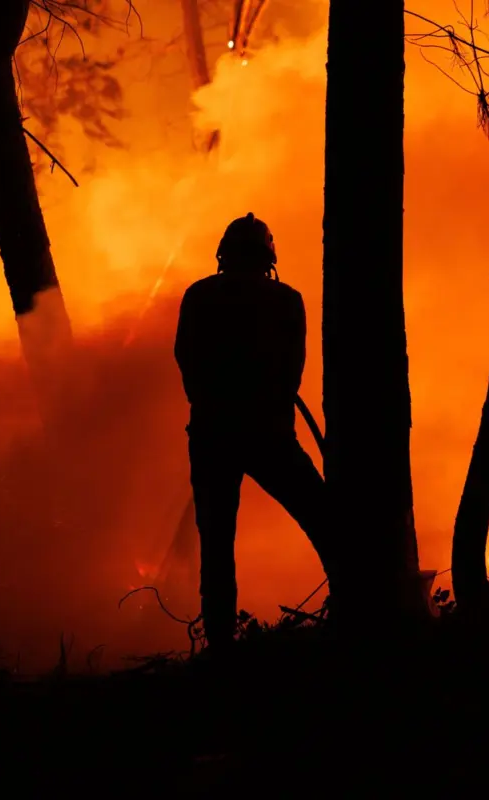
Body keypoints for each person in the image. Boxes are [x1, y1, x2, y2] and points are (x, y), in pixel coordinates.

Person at [174, 212, 336, 649]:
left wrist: (210, 400)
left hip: (211, 433)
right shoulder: (286, 299)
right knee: (323, 519)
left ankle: (221, 643)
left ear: (224, 256)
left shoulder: (199, 295)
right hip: (269, 433)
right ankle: (356, 605)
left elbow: (184, 358)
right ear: (269, 258)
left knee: (217, 542)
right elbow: (292, 370)